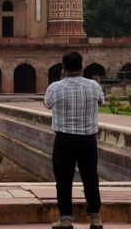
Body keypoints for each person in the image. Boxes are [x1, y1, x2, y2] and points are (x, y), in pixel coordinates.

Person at [44, 51, 105, 229]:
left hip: (64, 140)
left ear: (63, 68)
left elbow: (47, 104)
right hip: (88, 139)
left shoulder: (55, 87)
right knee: (90, 178)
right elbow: (101, 101)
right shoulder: (93, 86)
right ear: (82, 66)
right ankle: (95, 218)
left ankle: (66, 219)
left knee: (64, 179)